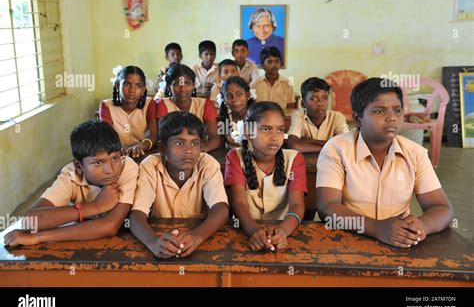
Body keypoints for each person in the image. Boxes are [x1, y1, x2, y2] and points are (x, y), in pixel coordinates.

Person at [315, 78, 454, 248]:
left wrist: (421, 225)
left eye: (397, 110)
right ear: (358, 119)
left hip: (398, 240)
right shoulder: (337, 149)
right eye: (379, 111)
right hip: (348, 238)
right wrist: (376, 228)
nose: (391, 118)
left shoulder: (415, 153)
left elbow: (442, 208)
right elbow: (327, 207)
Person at [4, 121, 138, 246]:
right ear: (79, 166)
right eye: (98, 162)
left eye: (115, 158)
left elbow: (110, 226)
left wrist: (40, 237)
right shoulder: (71, 175)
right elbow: (29, 222)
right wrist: (96, 206)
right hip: (86, 242)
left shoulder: (127, 167)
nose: (110, 170)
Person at [130, 111, 229, 258]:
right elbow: (137, 214)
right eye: (179, 143)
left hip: (197, 245)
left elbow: (221, 209)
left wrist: (197, 237)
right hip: (161, 237)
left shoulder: (207, 164)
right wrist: (153, 242)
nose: (188, 150)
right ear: (163, 149)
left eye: (194, 143)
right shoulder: (150, 166)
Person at [225, 102, 306, 251]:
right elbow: (239, 203)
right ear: (249, 132)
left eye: (280, 130)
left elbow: (297, 205)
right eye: (266, 129)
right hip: (245, 231)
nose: (274, 137)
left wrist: (283, 231)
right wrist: (254, 231)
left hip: (284, 233)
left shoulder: (295, 159)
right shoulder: (235, 157)